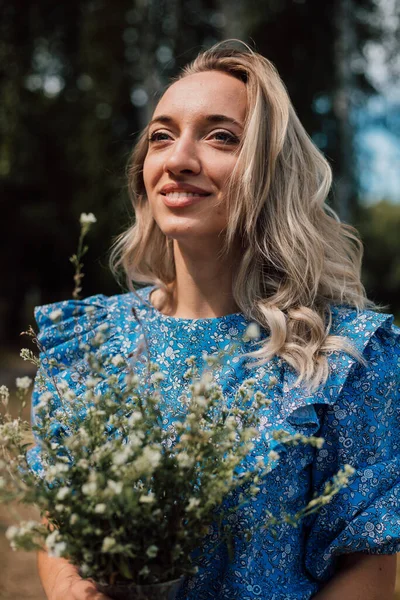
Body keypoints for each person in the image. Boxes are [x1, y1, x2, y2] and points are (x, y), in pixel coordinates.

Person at [31, 41, 399, 599]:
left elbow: (369, 571)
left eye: (221, 136)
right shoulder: (91, 340)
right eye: (161, 135)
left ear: (272, 172)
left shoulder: (342, 356)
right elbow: (57, 522)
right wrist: (67, 589)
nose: (178, 159)